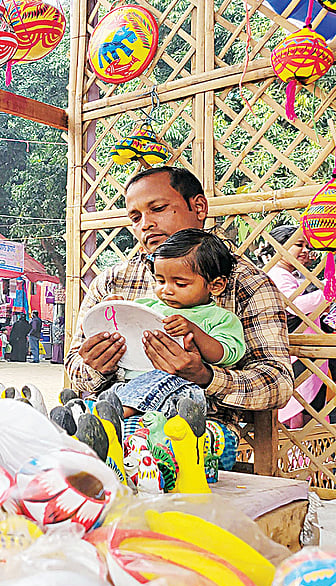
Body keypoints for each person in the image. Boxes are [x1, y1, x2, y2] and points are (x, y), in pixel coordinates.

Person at [66, 166, 292, 418]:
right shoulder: (112, 282)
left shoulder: (248, 284)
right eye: (135, 217)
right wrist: (96, 365)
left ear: (199, 208)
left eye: (158, 209)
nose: (146, 224)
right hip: (114, 417)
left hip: (199, 428)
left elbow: (277, 384)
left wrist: (206, 376)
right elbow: (76, 370)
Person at [114, 229, 246, 424]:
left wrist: (195, 332)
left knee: (164, 384)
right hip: (132, 383)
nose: (166, 290)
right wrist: (113, 306)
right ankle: (99, 409)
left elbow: (226, 354)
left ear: (216, 285)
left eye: (180, 284)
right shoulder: (148, 307)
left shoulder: (221, 318)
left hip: (183, 391)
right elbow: (121, 325)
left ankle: (116, 413)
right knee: (115, 389)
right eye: (160, 280)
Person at [260, 224, 329, 428]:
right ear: (278, 247)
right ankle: (296, 458)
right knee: (298, 411)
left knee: (309, 408)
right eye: (299, 245)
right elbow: (295, 305)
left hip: (308, 353)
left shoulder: (296, 275)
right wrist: (328, 290)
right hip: (294, 353)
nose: (305, 250)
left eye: (307, 246)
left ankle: (305, 457)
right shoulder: (277, 274)